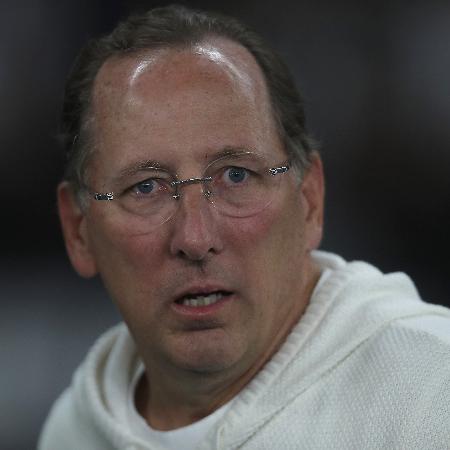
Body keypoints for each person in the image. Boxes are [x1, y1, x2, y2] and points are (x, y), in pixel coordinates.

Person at [39, 5, 450, 450]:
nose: (195, 238)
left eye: (235, 175)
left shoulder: (430, 393)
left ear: (309, 201)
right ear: (79, 231)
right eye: (147, 188)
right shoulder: (73, 430)